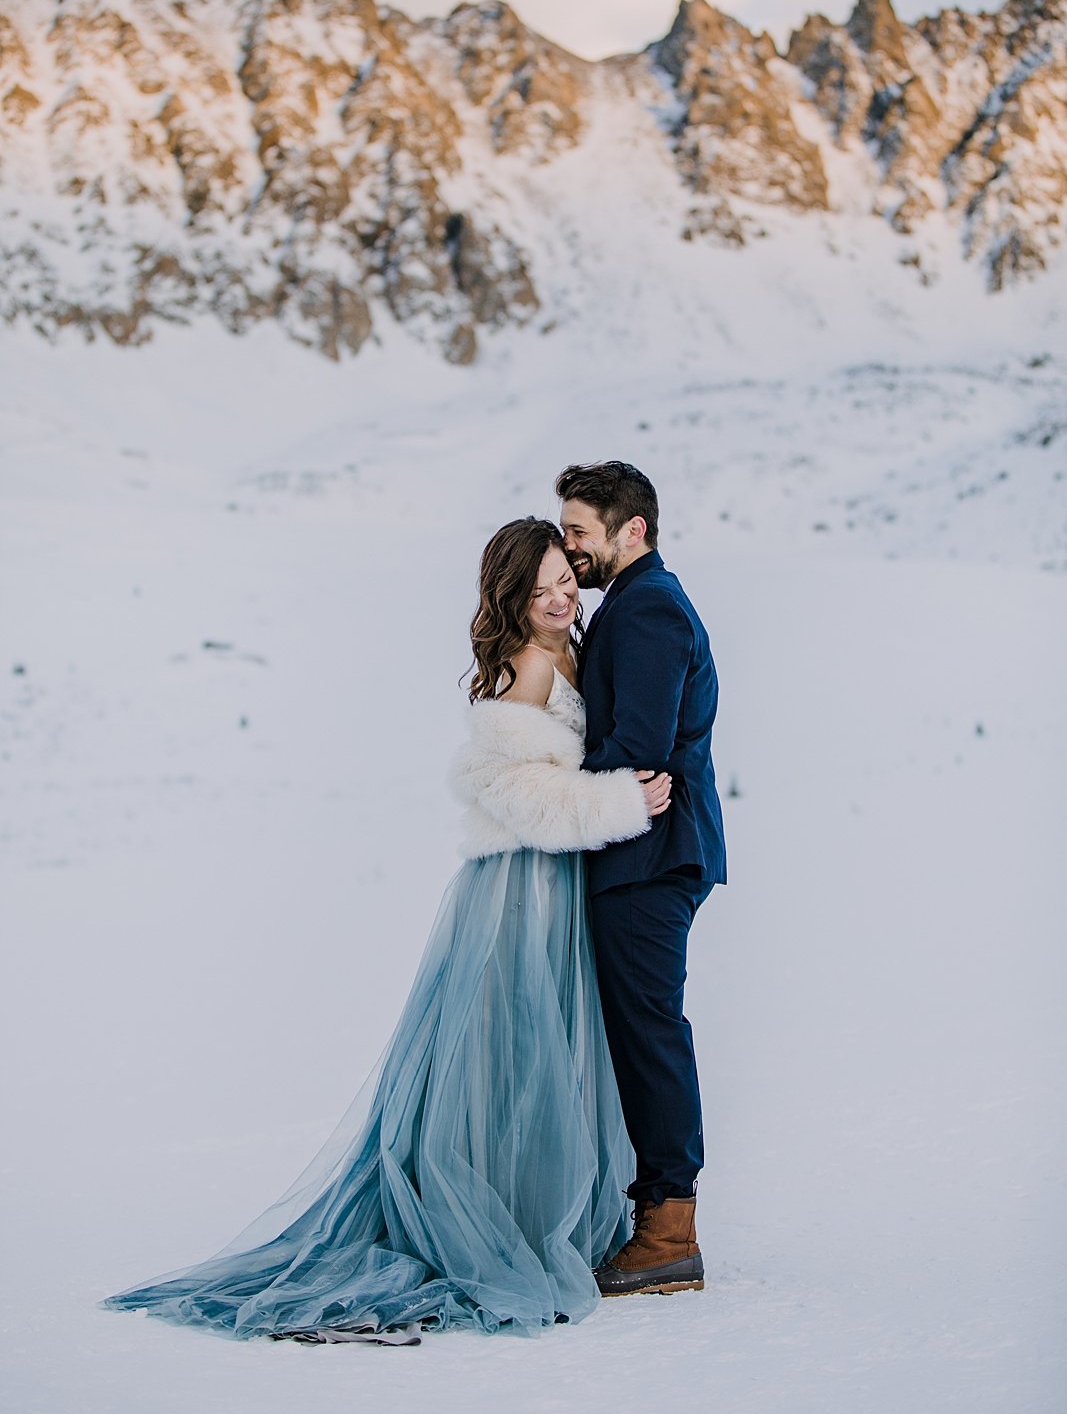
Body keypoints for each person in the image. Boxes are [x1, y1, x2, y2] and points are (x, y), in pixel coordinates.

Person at [100, 518, 671, 1343]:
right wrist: (621, 803)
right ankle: (499, 1223)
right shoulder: (533, 665)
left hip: (548, 883)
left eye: (563, 578)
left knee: (534, 1055)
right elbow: (513, 793)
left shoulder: (565, 651)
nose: (558, 595)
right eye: (540, 584)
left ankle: (527, 1209)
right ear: (511, 595)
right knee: (511, 1055)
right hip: (521, 886)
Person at [556, 462, 727, 1298]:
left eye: (580, 531)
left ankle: (668, 1229)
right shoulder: (629, 604)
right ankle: (657, 1218)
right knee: (637, 1028)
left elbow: (640, 744)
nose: (569, 547)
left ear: (634, 530)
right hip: (640, 852)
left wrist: (548, 781)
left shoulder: (649, 605)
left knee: (648, 1030)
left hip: (650, 856)